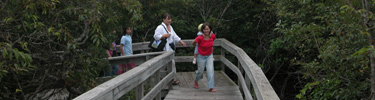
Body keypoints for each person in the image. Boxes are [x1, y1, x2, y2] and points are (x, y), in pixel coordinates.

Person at [154, 13, 186, 84]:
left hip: (170, 50)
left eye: (170, 19)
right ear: (164, 19)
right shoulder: (160, 27)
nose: (169, 20)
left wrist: (181, 41)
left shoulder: (170, 27)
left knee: (170, 64)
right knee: (165, 65)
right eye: (168, 19)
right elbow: (156, 36)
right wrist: (164, 35)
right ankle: (165, 79)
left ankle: (171, 79)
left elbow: (174, 36)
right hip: (163, 50)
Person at [192, 22, 216, 92]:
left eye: (207, 29)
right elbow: (193, 43)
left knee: (210, 71)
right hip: (200, 56)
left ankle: (211, 87)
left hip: (209, 56)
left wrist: (210, 47)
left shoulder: (212, 36)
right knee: (200, 71)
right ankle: (196, 81)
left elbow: (213, 40)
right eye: (204, 29)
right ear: (202, 30)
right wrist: (196, 46)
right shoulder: (200, 37)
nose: (206, 31)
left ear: (210, 29)